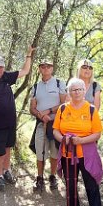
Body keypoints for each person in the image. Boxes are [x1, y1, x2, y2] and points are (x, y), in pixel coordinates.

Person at [54, 78, 103, 206]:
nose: (76, 92)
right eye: (73, 90)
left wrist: (81, 140)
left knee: (91, 183)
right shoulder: (63, 109)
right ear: (69, 92)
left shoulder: (91, 110)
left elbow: (97, 133)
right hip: (67, 152)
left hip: (87, 153)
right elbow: (55, 130)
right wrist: (63, 139)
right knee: (70, 182)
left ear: (84, 91)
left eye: (79, 89)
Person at [0, 47, 34, 187]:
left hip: (10, 122)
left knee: (8, 147)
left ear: (3, 67)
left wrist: (28, 55)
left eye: (1, 67)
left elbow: (25, 71)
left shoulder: (6, 77)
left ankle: (6, 170)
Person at [29, 57, 66, 190]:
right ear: (39, 69)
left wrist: (49, 111)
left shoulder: (59, 83)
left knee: (54, 153)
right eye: (43, 66)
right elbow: (32, 108)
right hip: (41, 124)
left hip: (57, 124)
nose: (46, 68)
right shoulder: (35, 86)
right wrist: (41, 115)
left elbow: (64, 103)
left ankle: (52, 176)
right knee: (40, 152)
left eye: (48, 66)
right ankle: (39, 177)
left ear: (52, 68)